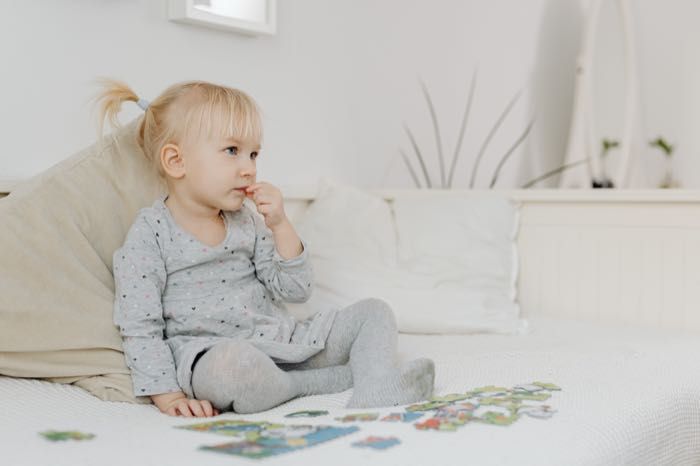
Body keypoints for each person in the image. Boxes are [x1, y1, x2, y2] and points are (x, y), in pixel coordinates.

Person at [98, 78, 435, 418]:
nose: (249, 168)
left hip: (281, 339)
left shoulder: (246, 222)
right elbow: (140, 324)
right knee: (234, 364)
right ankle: (306, 384)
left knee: (375, 312)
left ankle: (374, 385)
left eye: (253, 154)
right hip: (216, 355)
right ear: (176, 161)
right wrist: (168, 396)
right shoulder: (150, 234)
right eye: (232, 151)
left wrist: (280, 225)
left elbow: (295, 290)